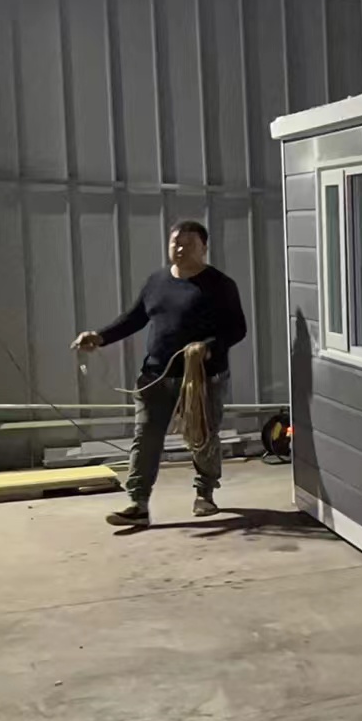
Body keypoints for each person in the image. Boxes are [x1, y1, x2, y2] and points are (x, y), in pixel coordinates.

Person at [73, 220, 247, 527]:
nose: (180, 249)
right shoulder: (157, 281)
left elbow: (237, 329)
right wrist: (100, 337)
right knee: (146, 437)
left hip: (203, 379)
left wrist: (208, 347)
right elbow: (135, 318)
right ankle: (137, 503)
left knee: (203, 437)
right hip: (155, 376)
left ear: (204, 248)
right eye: (175, 243)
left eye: (188, 244)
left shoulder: (220, 285)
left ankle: (205, 493)